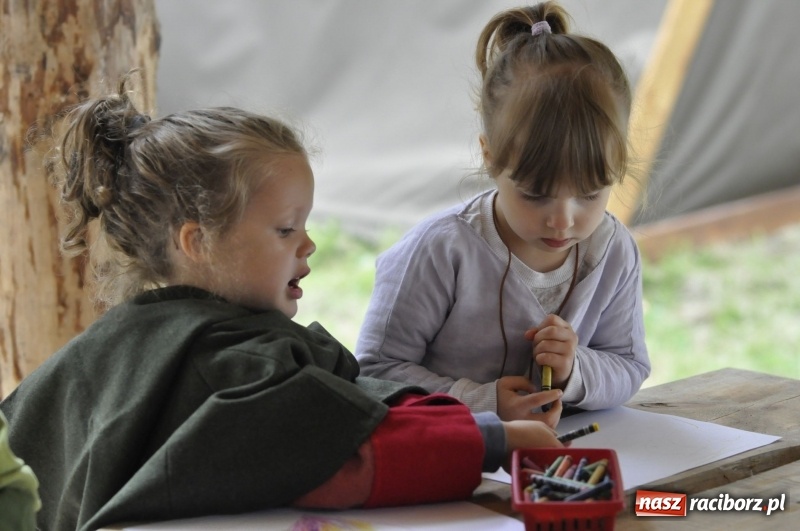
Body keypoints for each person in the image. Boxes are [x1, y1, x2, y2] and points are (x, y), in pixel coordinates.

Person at [0, 78, 563, 531]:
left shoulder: (107, 348)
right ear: (198, 243)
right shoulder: (226, 356)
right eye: (286, 228)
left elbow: (342, 411)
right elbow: (336, 460)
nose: (309, 244)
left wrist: (475, 418)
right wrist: (497, 440)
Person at [356, 1, 651, 422]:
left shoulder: (614, 251)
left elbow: (629, 365)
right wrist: (481, 401)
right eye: (535, 194)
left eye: (589, 194)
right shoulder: (440, 250)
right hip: (458, 460)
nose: (563, 220)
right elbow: (373, 372)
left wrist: (575, 370)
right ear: (490, 157)